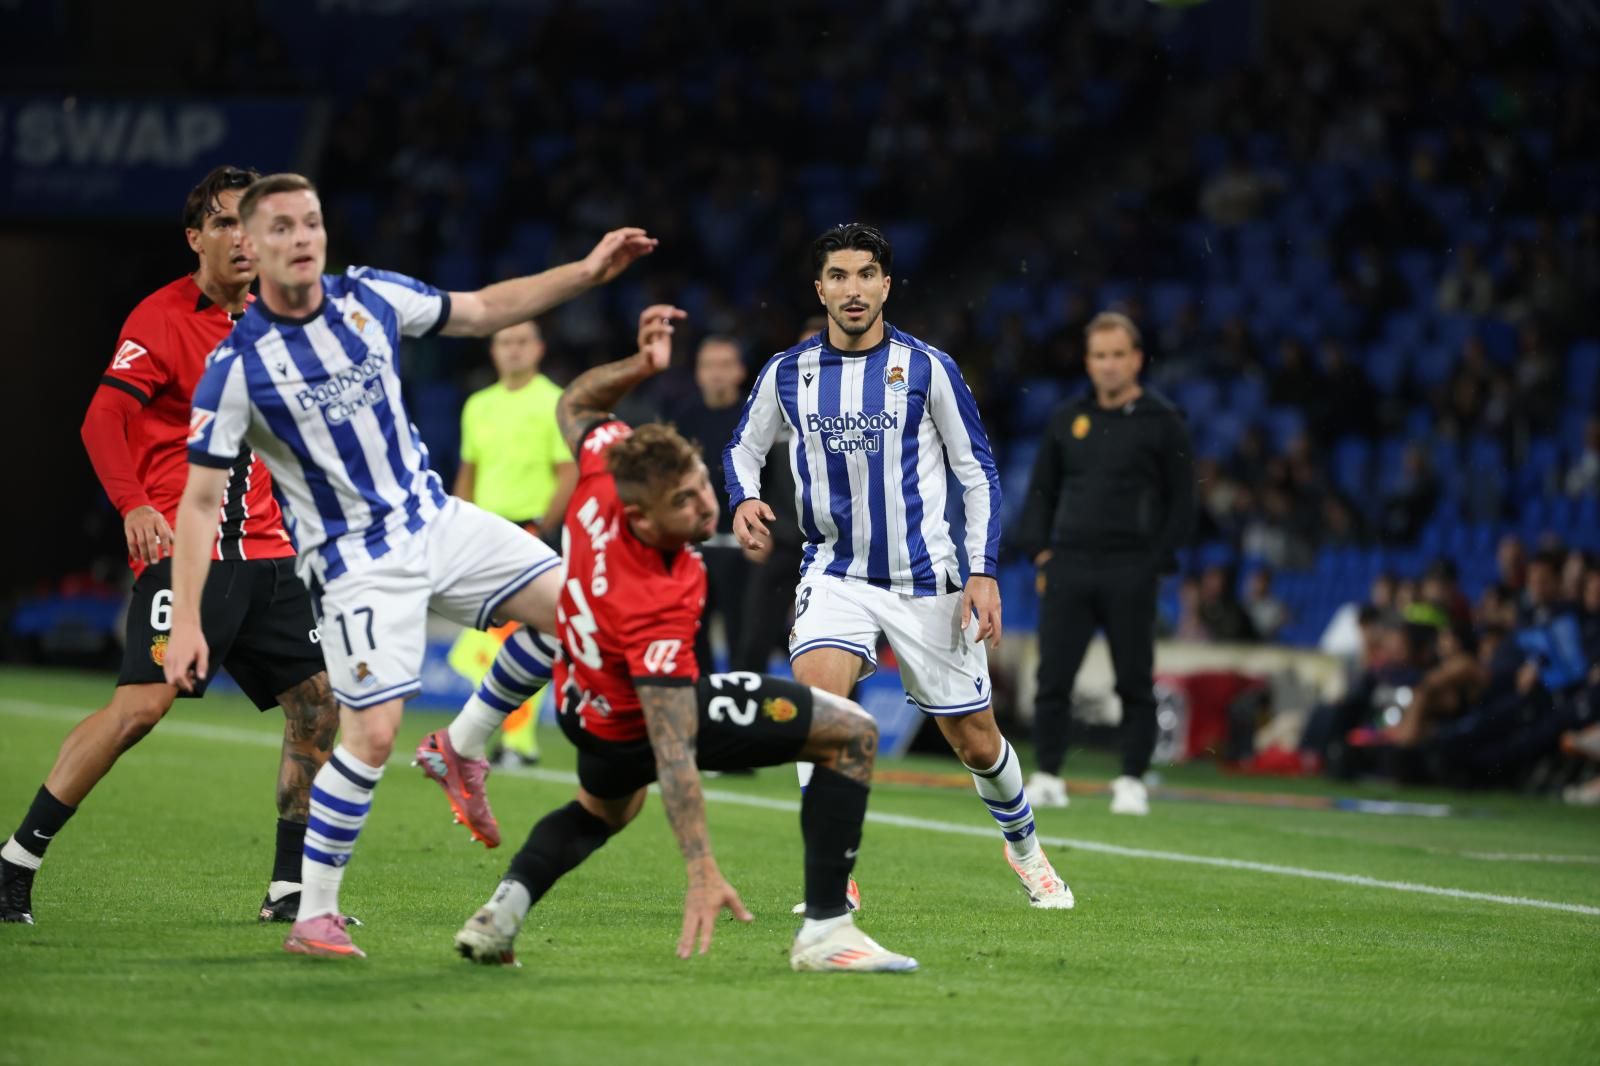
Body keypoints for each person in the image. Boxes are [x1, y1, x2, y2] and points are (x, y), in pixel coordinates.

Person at [163, 172, 655, 959]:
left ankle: (462, 745)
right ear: (250, 245)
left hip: (437, 519)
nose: (302, 238)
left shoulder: (370, 297)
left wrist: (588, 272)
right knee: (372, 735)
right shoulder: (237, 368)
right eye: (282, 227)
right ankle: (314, 916)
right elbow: (197, 503)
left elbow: (484, 307)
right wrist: (187, 617)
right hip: (357, 563)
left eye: (311, 222)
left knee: (585, 614)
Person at [453, 314, 917, 973]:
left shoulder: (607, 467)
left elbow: (575, 402)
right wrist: (701, 866)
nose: (705, 505)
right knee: (852, 733)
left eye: (702, 481)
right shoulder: (656, 596)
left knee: (602, 811)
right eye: (685, 501)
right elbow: (673, 749)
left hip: (585, 703)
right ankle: (827, 931)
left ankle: (501, 913)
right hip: (633, 716)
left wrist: (641, 365)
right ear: (642, 520)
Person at [0, 166, 341, 928]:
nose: (243, 238)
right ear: (196, 238)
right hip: (192, 552)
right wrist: (132, 503)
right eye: (225, 223)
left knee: (318, 706)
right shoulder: (160, 318)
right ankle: (14, 861)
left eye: (253, 223)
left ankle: (290, 890)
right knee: (139, 709)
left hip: (267, 553)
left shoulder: (281, 316)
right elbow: (101, 420)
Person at [726, 223, 1073, 910]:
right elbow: (743, 446)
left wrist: (982, 571)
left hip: (926, 581)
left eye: (866, 275)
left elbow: (977, 472)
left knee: (977, 743)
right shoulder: (787, 372)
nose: (852, 289)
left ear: (886, 285)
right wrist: (743, 498)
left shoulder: (927, 368)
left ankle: (1026, 849)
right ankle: (833, 878)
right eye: (838, 276)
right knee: (820, 712)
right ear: (820, 289)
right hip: (835, 574)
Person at [1016, 311, 1194, 815]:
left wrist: (1155, 561)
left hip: (1130, 567)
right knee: (1053, 678)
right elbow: (1041, 491)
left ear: (1137, 359)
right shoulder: (1067, 419)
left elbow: (1184, 502)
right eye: (1099, 355)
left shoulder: (1163, 421)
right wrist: (1040, 551)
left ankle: (1132, 779)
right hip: (1069, 563)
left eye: (1118, 354)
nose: (1109, 364)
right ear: (1088, 361)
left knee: (1134, 680)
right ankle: (1048, 774)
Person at [449, 319, 576, 768]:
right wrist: (455, 525)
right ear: (493, 350)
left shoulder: (556, 401)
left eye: (522, 342)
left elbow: (569, 473)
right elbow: (468, 472)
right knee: (481, 649)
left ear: (539, 349)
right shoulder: (478, 405)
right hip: (483, 533)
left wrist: (542, 528)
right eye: (505, 341)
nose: (513, 350)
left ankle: (519, 744)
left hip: (530, 534)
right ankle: (506, 739)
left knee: (517, 640)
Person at [668, 335, 750, 675]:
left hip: (745, 547)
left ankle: (744, 703)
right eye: (709, 366)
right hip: (695, 547)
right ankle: (702, 702)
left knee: (744, 640)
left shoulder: (756, 416)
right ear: (698, 373)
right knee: (691, 634)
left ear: (740, 371)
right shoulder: (683, 418)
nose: (717, 373)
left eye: (725, 365)